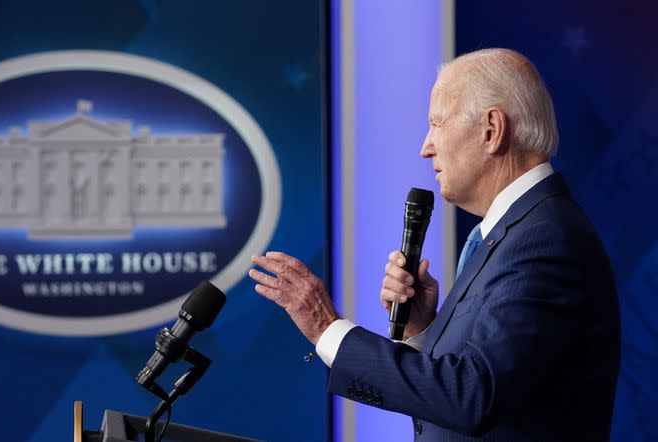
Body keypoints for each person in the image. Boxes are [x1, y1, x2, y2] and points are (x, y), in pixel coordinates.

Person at [249, 48, 620, 441]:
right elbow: (472, 389)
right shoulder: (513, 235)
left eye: (436, 123)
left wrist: (327, 327)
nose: (426, 147)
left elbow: (473, 397)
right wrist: (425, 330)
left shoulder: (544, 239)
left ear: (491, 130)